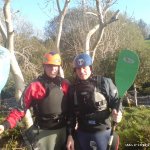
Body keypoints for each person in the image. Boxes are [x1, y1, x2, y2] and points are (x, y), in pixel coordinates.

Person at [0, 51, 71, 150]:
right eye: (49, 65)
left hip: (63, 131)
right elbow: (20, 109)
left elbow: (73, 107)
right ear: (44, 66)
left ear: (59, 67)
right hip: (43, 132)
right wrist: (5, 125)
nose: (53, 69)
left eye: (56, 66)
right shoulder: (34, 86)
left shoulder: (65, 84)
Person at [66, 53, 122, 150]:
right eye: (78, 68)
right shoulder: (72, 89)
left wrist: (118, 112)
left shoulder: (105, 82)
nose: (81, 71)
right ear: (75, 70)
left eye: (84, 67)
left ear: (90, 68)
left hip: (103, 132)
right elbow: (71, 114)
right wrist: (70, 135)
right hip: (82, 134)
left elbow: (116, 101)